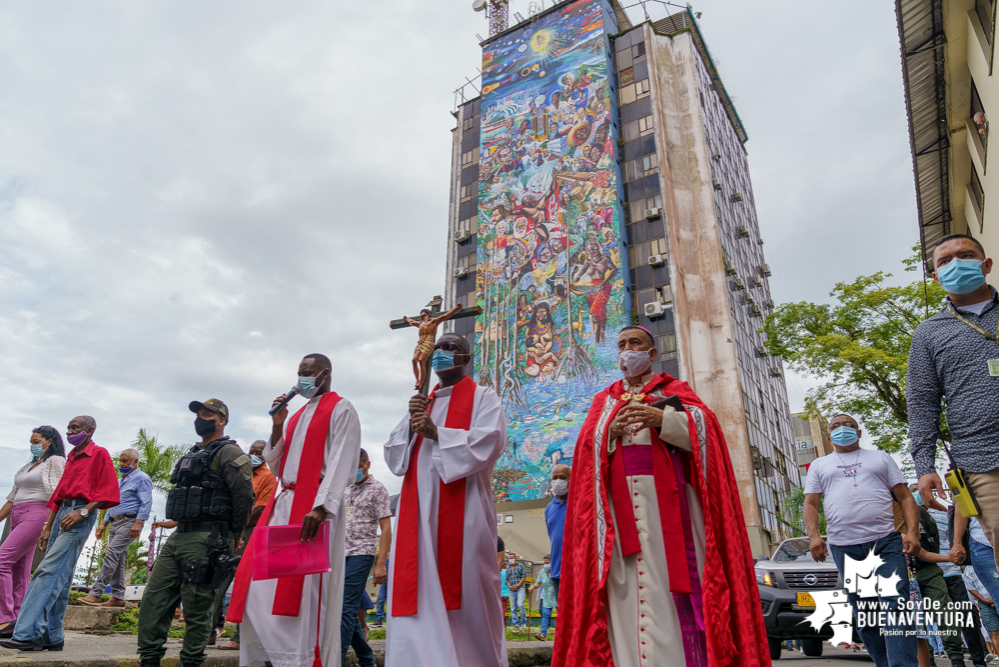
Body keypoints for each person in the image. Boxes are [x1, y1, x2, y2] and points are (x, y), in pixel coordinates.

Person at [553, 326, 769, 667]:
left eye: (635, 343)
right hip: (617, 515)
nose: (627, 350)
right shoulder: (604, 400)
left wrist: (664, 418)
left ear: (652, 354)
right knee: (622, 592)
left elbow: (708, 432)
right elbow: (584, 453)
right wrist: (607, 431)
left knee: (675, 585)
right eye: (621, 344)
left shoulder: (675, 391)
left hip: (671, 510)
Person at [228, 354, 361, 667]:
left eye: (307, 372)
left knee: (301, 595)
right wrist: (277, 424)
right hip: (283, 503)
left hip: (312, 508)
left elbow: (344, 457)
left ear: (324, 374)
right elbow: (277, 461)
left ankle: (299, 658)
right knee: (259, 590)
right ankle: (270, 657)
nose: (300, 378)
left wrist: (322, 506)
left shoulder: (341, 408)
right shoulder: (297, 414)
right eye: (299, 372)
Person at [383, 333, 507, 667]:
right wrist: (412, 425)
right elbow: (395, 459)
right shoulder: (424, 400)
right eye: (437, 348)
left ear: (466, 359)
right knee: (415, 590)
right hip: (417, 511)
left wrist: (438, 433)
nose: (440, 353)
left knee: (470, 592)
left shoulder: (484, 397)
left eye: (450, 348)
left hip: (463, 510)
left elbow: (490, 442)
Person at [136, 399, 254, 667]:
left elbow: (244, 496)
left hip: (209, 538)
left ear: (221, 420)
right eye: (199, 414)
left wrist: (235, 533)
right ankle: (149, 659)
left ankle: (190, 661)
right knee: (154, 600)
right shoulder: (191, 453)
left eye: (207, 414)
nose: (201, 418)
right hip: (180, 536)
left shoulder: (230, 453)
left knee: (198, 605)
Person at [908, 234, 999, 569]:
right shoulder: (928, 333)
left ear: (986, 265)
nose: (955, 264)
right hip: (984, 461)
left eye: (966, 255)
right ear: (936, 276)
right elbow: (921, 402)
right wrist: (924, 467)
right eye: (944, 261)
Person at [804, 413, 920, 667]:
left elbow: (905, 496)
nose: (841, 429)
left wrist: (912, 532)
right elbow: (811, 503)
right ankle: (883, 663)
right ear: (828, 435)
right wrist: (814, 536)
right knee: (866, 613)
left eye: (848, 425)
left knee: (896, 604)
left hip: (885, 542)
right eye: (835, 426)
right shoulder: (820, 465)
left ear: (858, 432)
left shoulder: (880, 458)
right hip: (846, 546)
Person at [1, 416, 119, 652]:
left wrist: (83, 512)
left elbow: (108, 491)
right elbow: (57, 495)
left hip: (79, 513)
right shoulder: (72, 458)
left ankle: (28, 633)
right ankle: (52, 636)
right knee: (62, 577)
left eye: (75, 428)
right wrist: (47, 526)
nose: (70, 432)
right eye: (68, 428)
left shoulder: (99, 454)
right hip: (60, 512)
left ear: (89, 430)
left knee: (48, 570)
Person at [911, 486, 988, 667]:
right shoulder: (912, 516)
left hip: (946, 571)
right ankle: (931, 661)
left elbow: (943, 542)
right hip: (925, 571)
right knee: (925, 620)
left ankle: (970, 659)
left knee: (957, 617)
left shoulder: (941, 515)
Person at [0, 427, 66, 637]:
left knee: (1, 561)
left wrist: (49, 524)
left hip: (37, 513)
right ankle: (19, 620)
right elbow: (11, 498)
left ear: (49, 441)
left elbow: (57, 494)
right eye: (31, 441)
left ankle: (4, 618)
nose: (33, 445)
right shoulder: (29, 465)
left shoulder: (54, 461)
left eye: (37, 440)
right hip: (17, 515)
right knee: (19, 569)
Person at [215, 440, 275, 651]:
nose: (254, 455)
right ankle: (208, 632)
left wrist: (236, 521)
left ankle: (240, 638)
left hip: (249, 532)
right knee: (217, 580)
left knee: (245, 584)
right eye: (251, 451)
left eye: (259, 453)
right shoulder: (239, 473)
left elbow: (259, 509)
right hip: (229, 531)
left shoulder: (268, 478)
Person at [79, 448, 153, 608]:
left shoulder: (142, 478)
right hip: (115, 522)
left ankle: (96, 592)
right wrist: (104, 523)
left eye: (125, 461)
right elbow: (113, 503)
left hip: (130, 521)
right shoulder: (119, 481)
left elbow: (146, 502)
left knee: (111, 554)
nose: (121, 464)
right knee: (118, 559)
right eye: (120, 460)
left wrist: (138, 523)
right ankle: (118, 596)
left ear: (135, 462)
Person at [340, 448, 392, 667]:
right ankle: (366, 660)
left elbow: (386, 528)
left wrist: (380, 563)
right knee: (343, 609)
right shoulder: (344, 488)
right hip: (338, 554)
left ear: (367, 464)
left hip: (362, 553)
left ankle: (335, 659)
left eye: (358, 467)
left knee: (345, 608)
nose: (354, 472)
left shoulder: (378, 489)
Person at [964, 565, 999, 659]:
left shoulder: (993, 561)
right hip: (985, 602)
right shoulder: (968, 569)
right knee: (994, 632)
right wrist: (984, 600)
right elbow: (970, 588)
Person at [545, 464, 569, 599]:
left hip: (575, 570)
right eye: (554, 478)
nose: (558, 481)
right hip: (556, 570)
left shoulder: (578, 502)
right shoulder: (549, 508)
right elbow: (552, 537)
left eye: (563, 477)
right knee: (562, 614)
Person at [529, 555, 555, 641]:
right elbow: (538, 583)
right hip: (546, 597)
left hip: (557, 597)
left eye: (547, 563)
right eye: (544, 563)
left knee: (562, 615)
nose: (545, 565)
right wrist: (533, 586)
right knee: (545, 614)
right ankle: (543, 635)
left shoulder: (558, 570)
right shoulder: (542, 572)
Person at [506, 554, 526, 629]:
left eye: (512, 558)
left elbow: (523, 576)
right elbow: (507, 579)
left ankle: (523, 621)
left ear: (515, 559)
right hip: (512, 589)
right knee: (513, 607)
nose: (510, 559)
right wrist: (510, 586)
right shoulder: (508, 568)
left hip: (520, 588)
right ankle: (515, 623)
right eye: (509, 558)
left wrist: (518, 585)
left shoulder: (520, 566)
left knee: (520, 604)